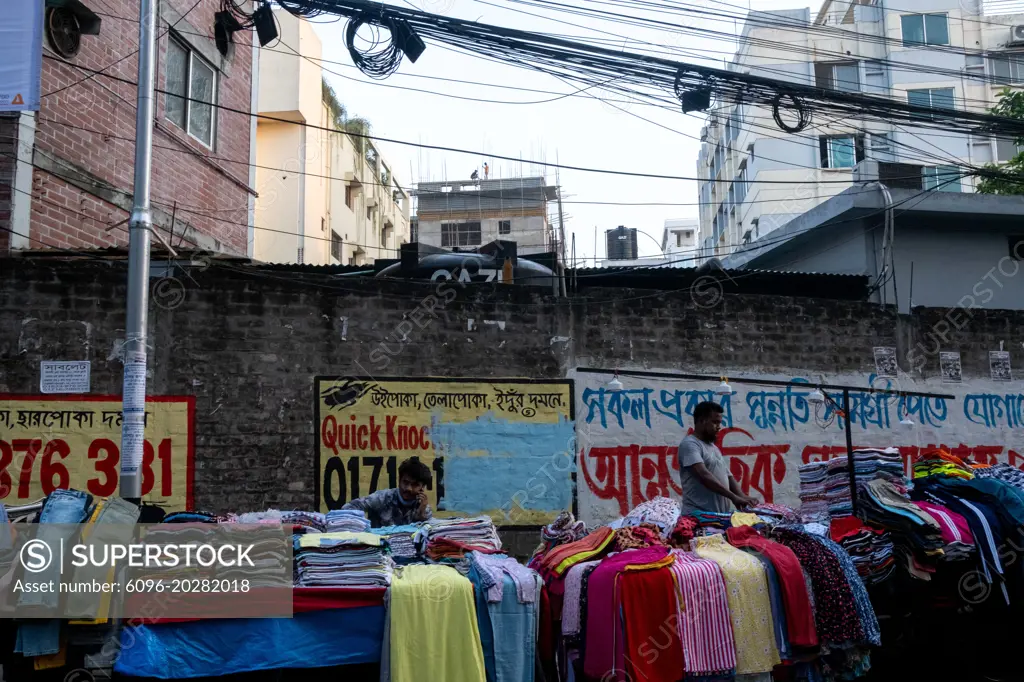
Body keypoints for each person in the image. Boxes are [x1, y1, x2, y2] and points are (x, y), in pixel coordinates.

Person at [679, 401, 759, 514]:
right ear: (702, 421)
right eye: (715, 422)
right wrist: (733, 497)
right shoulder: (690, 444)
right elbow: (704, 475)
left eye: (719, 423)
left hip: (718, 516)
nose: (719, 427)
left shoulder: (713, 447)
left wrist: (742, 496)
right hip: (698, 516)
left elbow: (728, 476)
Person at [342, 457, 434, 527]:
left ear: (422, 487)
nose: (408, 488)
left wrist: (421, 513)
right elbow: (348, 508)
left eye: (415, 485)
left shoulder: (423, 507)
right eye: (405, 482)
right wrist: (361, 527)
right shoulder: (382, 498)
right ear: (399, 481)